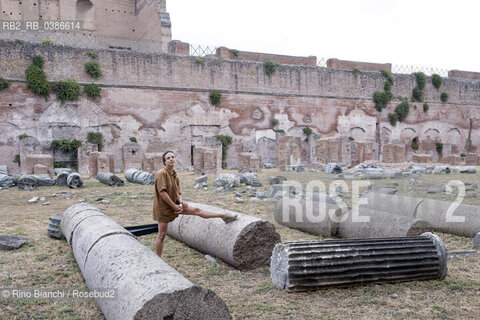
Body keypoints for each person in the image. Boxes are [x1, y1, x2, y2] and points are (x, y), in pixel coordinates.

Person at [153, 150, 237, 257]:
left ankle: (223, 216)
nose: (171, 159)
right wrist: (174, 206)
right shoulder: (162, 173)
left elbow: (178, 192)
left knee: (197, 210)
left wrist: (180, 203)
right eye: (168, 158)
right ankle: (158, 259)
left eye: (173, 157)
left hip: (176, 205)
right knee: (161, 235)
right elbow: (162, 192)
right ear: (164, 162)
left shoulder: (174, 174)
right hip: (163, 209)